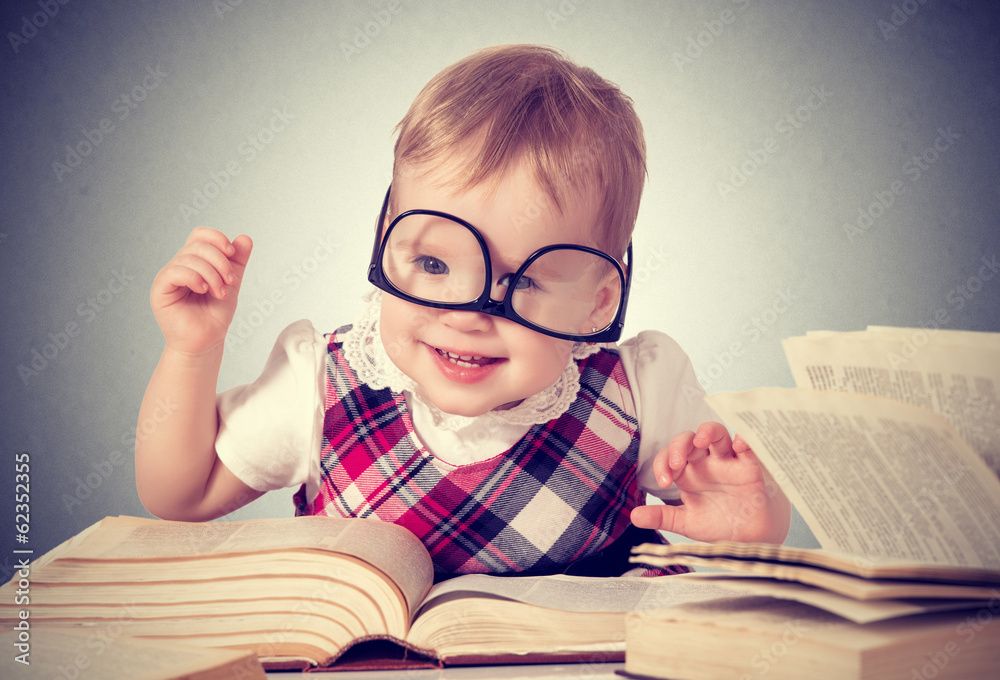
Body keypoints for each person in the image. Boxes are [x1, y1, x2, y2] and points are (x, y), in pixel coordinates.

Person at [136, 44, 789, 577]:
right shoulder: (319, 384)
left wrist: (754, 522)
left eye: (523, 280)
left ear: (598, 302)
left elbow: (740, 534)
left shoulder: (642, 395)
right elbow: (181, 494)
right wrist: (192, 350)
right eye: (432, 264)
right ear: (385, 241)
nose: (466, 313)